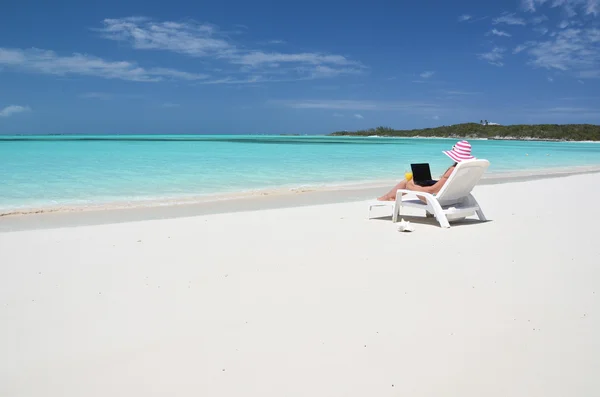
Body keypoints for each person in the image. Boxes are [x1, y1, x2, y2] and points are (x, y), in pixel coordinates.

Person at [377, 140, 476, 201]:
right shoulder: (467, 169)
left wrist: (412, 186)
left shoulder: (453, 170)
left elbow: (431, 190)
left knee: (409, 182)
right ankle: (389, 197)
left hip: (436, 198)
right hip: (455, 197)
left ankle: (388, 197)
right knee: (415, 180)